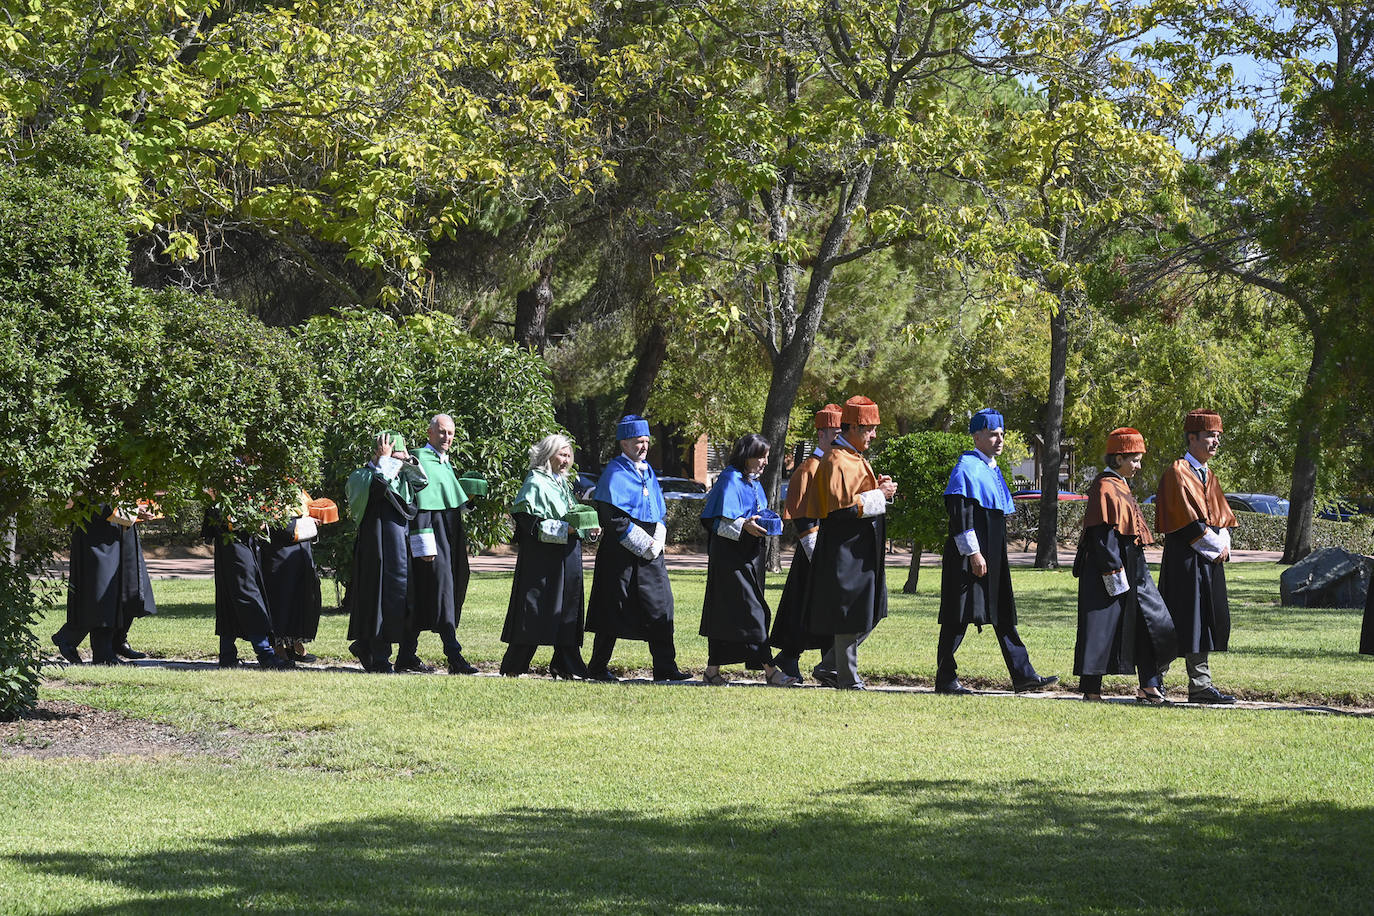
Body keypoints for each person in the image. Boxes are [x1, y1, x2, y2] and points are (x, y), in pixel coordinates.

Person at [936, 408, 1058, 695]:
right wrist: (974, 554)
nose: (999, 440)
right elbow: (960, 517)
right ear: (976, 436)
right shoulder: (966, 468)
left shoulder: (991, 468)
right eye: (993, 434)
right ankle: (945, 679)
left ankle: (1023, 675)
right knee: (957, 618)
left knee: (1004, 615)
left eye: (1001, 434)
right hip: (969, 557)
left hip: (994, 556)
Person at [1072, 428, 1177, 703]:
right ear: (1118, 458)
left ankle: (1150, 684)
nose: (1139, 466)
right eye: (1135, 459)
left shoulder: (1121, 484)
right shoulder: (1104, 485)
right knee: (1100, 627)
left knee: (1150, 622)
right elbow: (1101, 534)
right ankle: (1092, 690)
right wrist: (1114, 574)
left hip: (1133, 566)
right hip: (1109, 568)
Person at [800, 396, 898, 690]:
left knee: (872, 609)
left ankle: (830, 666)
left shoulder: (853, 456)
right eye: (870, 429)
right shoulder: (836, 458)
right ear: (853, 427)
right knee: (850, 613)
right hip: (846, 549)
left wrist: (879, 491)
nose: (874, 435)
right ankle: (847, 677)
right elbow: (841, 509)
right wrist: (880, 494)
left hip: (861, 550)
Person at [585, 415, 690, 682]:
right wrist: (644, 544)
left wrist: (658, 539)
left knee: (661, 606)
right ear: (623, 443)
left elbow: (657, 512)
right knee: (613, 609)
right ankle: (597, 667)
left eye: (645, 441)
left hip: (651, 554)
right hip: (621, 553)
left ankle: (665, 667)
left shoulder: (649, 471)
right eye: (637, 442)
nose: (643, 447)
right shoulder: (615, 472)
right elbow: (613, 519)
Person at [698, 434, 799, 687]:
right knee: (754, 612)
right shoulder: (729, 479)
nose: (765, 462)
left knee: (726, 614)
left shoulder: (752, 482)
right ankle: (770, 671)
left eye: (766, 456)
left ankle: (712, 671)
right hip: (729, 560)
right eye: (760, 457)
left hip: (750, 557)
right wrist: (744, 525)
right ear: (746, 456)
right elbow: (711, 521)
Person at [1154, 408, 1238, 704]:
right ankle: (1153, 681)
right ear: (1192, 438)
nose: (1216, 442)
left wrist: (1223, 545)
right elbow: (1186, 522)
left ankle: (1200, 685)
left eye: (1217, 436)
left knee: (1202, 621)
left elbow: (1220, 516)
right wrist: (1216, 548)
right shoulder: (1178, 472)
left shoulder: (1209, 475)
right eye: (1209, 436)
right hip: (1185, 561)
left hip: (1209, 561)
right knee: (1178, 619)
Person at [500, 434, 598, 678]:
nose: (566, 460)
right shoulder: (535, 482)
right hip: (542, 561)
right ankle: (514, 666)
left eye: (568, 455)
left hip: (567, 558)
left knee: (567, 610)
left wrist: (590, 528)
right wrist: (570, 530)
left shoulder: (562, 483)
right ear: (547, 454)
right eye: (561, 454)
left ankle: (566, 665)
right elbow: (528, 524)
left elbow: (572, 516)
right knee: (534, 610)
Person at [769, 404, 843, 682]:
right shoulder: (808, 469)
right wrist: (817, 553)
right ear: (822, 433)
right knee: (805, 606)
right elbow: (801, 515)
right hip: (812, 550)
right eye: (836, 431)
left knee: (825, 608)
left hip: (831, 549)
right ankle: (791, 657)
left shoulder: (836, 465)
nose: (840, 436)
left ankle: (826, 662)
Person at [346, 431, 428, 673]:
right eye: (393, 454)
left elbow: (421, 482)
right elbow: (376, 489)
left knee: (402, 599)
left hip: (400, 548)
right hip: (376, 549)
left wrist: (407, 461)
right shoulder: (361, 476)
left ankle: (373, 648)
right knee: (377, 598)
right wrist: (385, 462)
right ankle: (379, 656)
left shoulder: (400, 476)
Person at [407, 414, 480, 675]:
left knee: (432, 593)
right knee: (441, 592)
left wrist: (470, 497)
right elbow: (419, 507)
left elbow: (452, 500)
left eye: (450, 433)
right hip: (432, 538)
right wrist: (424, 547)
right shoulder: (418, 461)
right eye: (441, 432)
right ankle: (454, 656)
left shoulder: (444, 463)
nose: (447, 437)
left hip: (450, 535)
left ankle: (406, 654)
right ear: (429, 433)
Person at [52, 502, 158, 665]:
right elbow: (93, 502)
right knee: (104, 590)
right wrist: (132, 511)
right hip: (97, 534)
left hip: (121, 528)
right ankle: (96, 650)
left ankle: (117, 641)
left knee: (130, 587)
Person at [202, 506, 293, 670]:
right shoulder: (223, 491)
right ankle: (265, 654)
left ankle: (227, 655)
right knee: (248, 596)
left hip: (238, 543)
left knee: (230, 600)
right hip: (233, 545)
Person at [262, 491, 336, 664]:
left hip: (301, 550)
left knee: (302, 597)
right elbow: (278, 526)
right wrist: (308, 523)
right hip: (280, 552)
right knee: (282, 599)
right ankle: (278, 647)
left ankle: (295, 643)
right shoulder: (271, 489)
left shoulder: (299, 490)